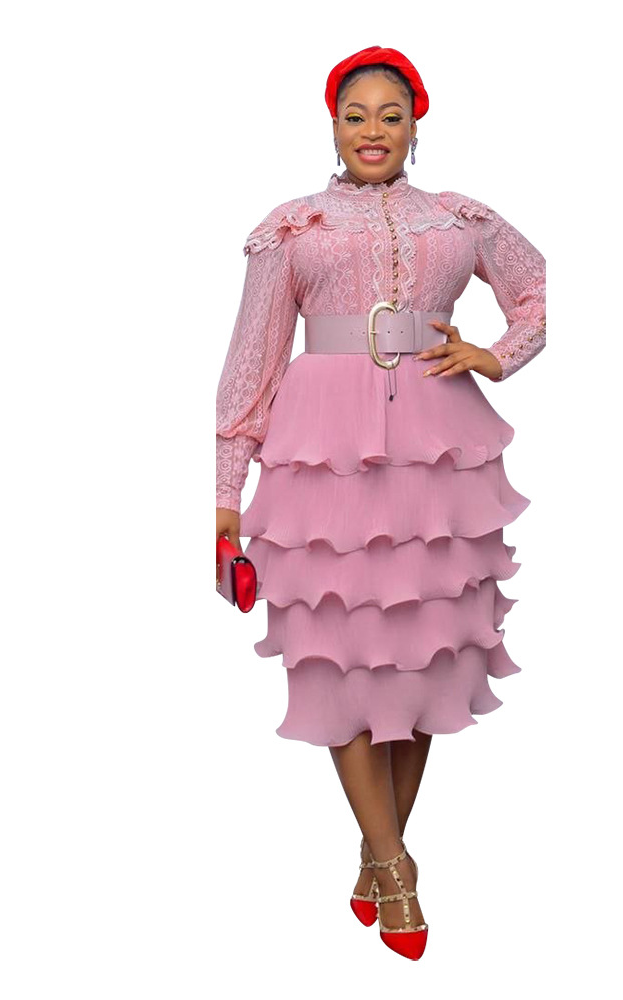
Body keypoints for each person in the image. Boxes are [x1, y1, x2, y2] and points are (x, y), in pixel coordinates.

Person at [215, 45, 546, 959]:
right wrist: (225, 493)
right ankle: (395, 864)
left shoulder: (460, 218)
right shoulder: (294, 227)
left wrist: (496, 354)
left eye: (390, 115)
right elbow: (251, 364)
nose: (372, 131)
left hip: (439, 455)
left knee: (420, 658)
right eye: (355, 115)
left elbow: (538, 291)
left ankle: (376, 852)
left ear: (415, 124)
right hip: (322, 459)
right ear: (332, 125)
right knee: (341, 656)